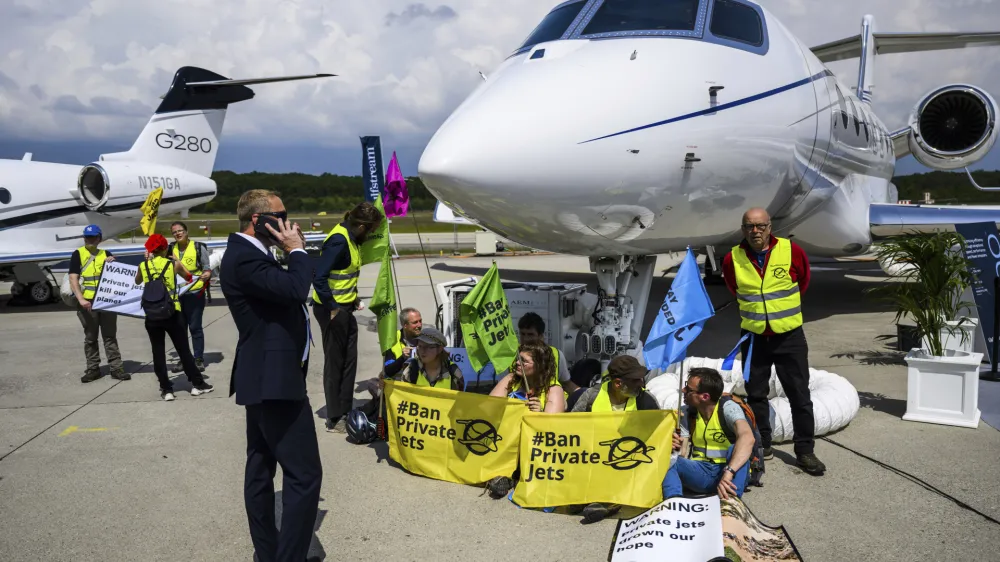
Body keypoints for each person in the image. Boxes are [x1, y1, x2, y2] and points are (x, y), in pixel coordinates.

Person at [220, 189, 321, 562]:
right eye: (280, 215)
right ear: (258, 220)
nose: (287, 221)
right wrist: (296, 251)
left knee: (261, 468)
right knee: (304, 475)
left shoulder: (254, 254)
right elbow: (295, 289)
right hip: (273, 382)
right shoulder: (245, 258)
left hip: (265, 377)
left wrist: (291, 253)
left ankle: (268, 553)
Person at [722, 207, 825, 475]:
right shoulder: (732, 258)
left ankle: (805, 451)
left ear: (770, 227)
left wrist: (779, 315)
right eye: (749, 227)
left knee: (799, 396)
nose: (755, 231)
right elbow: (735, 289)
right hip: (754, 337)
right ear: (743, 229)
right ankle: (762, 445)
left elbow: (803, 282)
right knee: (756, 394)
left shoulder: (792, 251)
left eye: (760, 226)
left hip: (789, 336)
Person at [311, 202, 383, 433]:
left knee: (349, 361)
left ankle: (345, 407)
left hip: (345, 308)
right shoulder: (339, 240)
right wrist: (333, 308)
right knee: (335, 363)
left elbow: (342, 277)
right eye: (370, 230)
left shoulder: (351, 238)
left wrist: (353, 299)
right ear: (360, 226)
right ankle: (334, 417)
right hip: (332, 311)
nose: (371, 234)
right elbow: (319, 277)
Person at [570, 355, 659, 523]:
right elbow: (571, 428)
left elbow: (659, 432)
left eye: (641, 378)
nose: (641, 383)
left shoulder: (646, 401)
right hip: (593, 459)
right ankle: (593, 499)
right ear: (618, 383)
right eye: (636, 380)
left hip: (628, 462)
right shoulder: (592, 396)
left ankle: (602, 502)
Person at [133, 234, 214, 401]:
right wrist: (176, 259)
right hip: (172, 312)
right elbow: (189, 277)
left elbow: (138, 281)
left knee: (158, 352)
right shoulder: (173, 264)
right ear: (165, 248)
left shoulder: (143, 265)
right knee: (183, 350)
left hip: (152, 315)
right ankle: (197, 384)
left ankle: (166, 389)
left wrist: (147, 262)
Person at [485, 343, 566, 499]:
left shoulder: (553, 389)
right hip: (506, 443)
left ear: (540, 365)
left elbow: (552, 430)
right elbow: (491, 405)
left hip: (532, 450)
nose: (517, 363)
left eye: (524, 361)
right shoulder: (511, 380)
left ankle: (514, 475)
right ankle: (505, 476)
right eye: (517, 359)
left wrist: (540, 414)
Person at [662, 368, 755, 501]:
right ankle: (674, 503)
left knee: (736, 447)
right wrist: (671, 446)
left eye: (689, 389)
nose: (683, 391)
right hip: (701, 472)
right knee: (670, 460)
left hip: (729, 474)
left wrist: (729, 471)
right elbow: (681, 453)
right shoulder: (687, 413)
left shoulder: (728, 408)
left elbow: (748, 438)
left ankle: (731, 503)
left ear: (705, 397)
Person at [68, 224, 128, 383]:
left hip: (106, 302)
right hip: (87, 302)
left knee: (110, 336)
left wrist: (113, 263)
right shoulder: (78, 254)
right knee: (90, 337)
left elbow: (116, 278)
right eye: (87, 237)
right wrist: (80, 299)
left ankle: (116, 368)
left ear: (99, 238)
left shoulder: (106, 254)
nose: (90, 240)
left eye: (93, 237)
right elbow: (73, 278)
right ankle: (93, 369)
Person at [167, 221, 213, 372]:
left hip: (195, 293)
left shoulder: (198, 247)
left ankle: (198, 358)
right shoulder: (169, 249)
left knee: (195, 327)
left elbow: (207, 268)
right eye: (175, 232)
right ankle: (184, 359)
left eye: (180, 231)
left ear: (186, 232)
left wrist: (206, 274)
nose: (178, 234)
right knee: (180, 329)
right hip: (176, 295)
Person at [515, 313, 578, 393]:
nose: (526, 338)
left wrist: (582, 393)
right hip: (518, 402)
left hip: (551, 402)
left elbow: (566, 384)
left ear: (541, 336)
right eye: (522, 334)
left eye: (530, 334)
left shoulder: (556, 354)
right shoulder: (513, 354)